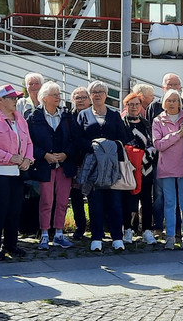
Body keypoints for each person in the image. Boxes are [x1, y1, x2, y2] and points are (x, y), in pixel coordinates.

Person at [0, 84, 34, 260]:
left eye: (16, 98)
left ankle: (11, 244)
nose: (15, 101)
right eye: (11, 98)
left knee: (14, 209)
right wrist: (11, 157)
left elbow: (29, 142)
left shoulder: (20, 119)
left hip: (16, 172)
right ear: (0, 100)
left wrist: (28, 159)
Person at [76, 80, 131, 252]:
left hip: (112, 166)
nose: (98, 95)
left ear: (106, 95)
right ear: (90, 95)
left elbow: (123, 138)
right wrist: (93, 147)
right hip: (93, 165)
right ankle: (96, 238)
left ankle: (117, 237)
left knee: (115, 202)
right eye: (94, 92)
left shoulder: (114, 115)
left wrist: (109, 147)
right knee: (95, 202)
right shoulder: (83, 115)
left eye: (101, 92)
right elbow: (77, 138)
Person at [27, 81, 79, 250]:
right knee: (46, 200)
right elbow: (29, 142)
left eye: (59, 94)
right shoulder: (34, 117)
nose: (58, 97)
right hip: (44, 166)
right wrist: (44, 155)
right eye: (54, 94)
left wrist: (66, 154)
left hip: (65, 165)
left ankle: (59, 234)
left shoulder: (66, 116)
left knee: (63, 201)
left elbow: (76, 139)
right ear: (44, 98)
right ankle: (44, 234)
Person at [152, 90, 183, 249]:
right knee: (169, 203)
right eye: (168, 100)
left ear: (180, 103)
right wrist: (178, 134)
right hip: (166, 168)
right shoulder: (158, 120)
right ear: (164, 103)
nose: (171, 103)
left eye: (174, 100)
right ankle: (170, 236)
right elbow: (158, 145)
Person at [122, 92, 158, 245]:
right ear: (126, 106)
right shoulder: (122, 123)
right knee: (128, 199)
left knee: (146, 199)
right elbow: (122, 144)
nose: (134, 107)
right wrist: (133, 158)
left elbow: (153, 144)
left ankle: (147, 230)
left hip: (145, 168)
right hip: (128, 168)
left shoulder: (146, 123)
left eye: (137, 104)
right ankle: (128, 229)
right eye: (131, 104)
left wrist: (144, 158)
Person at [69, 85, 93, 239]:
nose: (80, 100)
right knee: (76, 196)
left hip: (91, 161)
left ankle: (97, 226)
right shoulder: (68, 117)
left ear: (89, 99)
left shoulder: (93, 115)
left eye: (84, 97)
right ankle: (80, 227)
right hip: (74, 161)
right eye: (77, 98)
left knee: (93, 195)